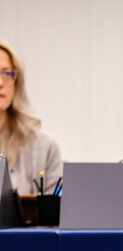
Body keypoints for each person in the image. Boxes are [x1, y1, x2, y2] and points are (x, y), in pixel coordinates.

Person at [0, 40, 62, 195]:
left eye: (6, 73)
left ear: (16, 82)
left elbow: (57, 214)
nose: (1, 82)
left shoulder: (44, 148)